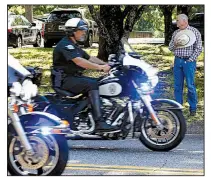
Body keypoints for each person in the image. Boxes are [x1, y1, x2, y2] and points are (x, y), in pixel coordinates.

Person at [52, 18, 119, 132]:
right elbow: (80, 61)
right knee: (92, 85)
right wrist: (100, 68)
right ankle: (99, 122)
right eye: (81, 30)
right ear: (72, 31)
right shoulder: (65, 45)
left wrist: (108, 64)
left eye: (84, 30)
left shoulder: (74, 45)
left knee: (99, 82)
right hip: (64, 80)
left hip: (72, 78)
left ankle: (87, 113)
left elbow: (89, 58)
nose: (84, 32)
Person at [169, 14, 203, 116]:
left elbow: (198, 48)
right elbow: (170, 48)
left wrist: (190, 60)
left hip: (189, 62)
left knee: (190, 85)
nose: (177, 23)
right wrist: (175, 44)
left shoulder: (195, 32)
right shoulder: (176, 33)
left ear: (184, 21)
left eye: (178, 20)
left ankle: (193, 108)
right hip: (178, 61)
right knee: (177, 86)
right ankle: (178, 107)